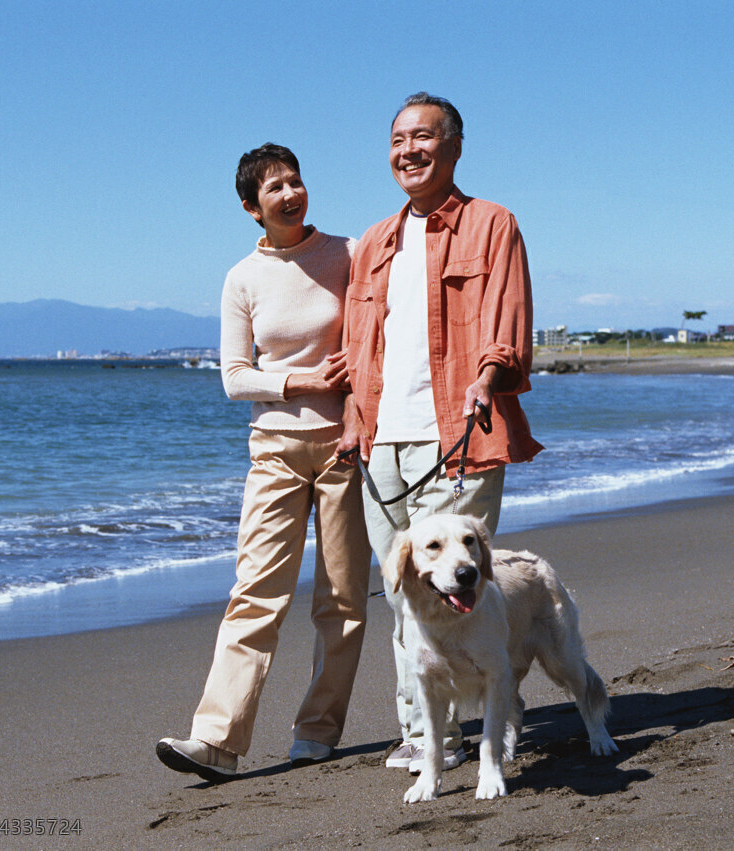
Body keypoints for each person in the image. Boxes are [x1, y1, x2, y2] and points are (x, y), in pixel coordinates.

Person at [339, 93, 543, 773]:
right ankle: (427, 733)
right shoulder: (373, 242)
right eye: (397, 140)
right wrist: (351, 422)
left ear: (453, 147)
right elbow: (357, 349)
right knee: (404, 594)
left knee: (462, 587)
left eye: (423, 138)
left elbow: (506, 320)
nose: (408, 151)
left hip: (459, 435)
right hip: (380, 445)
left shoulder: (492, 224)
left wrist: (490, 375)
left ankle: (482, 722)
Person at [157, 144, 372, 781]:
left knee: (343, 599)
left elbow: (376, 331)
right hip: (274, 451)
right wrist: (300, 383)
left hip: (344, 445)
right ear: (252, 208)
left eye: (295, 180)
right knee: (254, 595)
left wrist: (355, 378)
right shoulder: (241, 278)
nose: (290, 193)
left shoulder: (350, 254)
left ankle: (318, 731)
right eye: (274, 188)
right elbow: (233, 378)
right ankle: (216, 741)